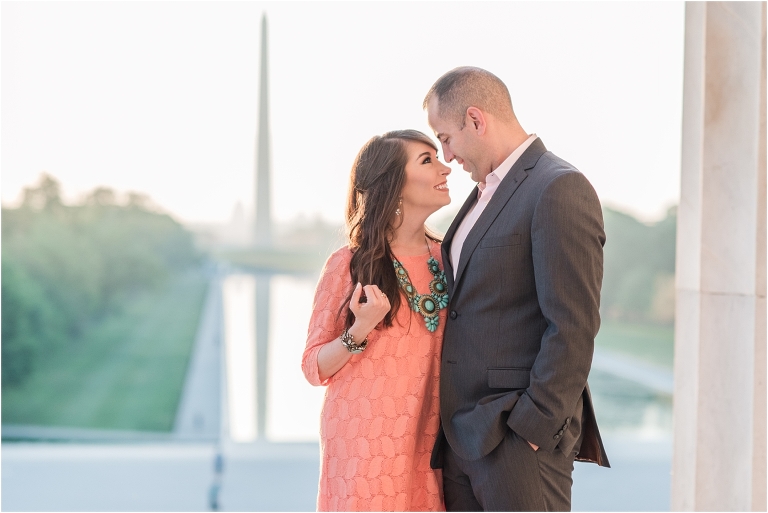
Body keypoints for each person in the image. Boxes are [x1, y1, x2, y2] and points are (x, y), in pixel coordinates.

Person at [423, 66, 610, 511]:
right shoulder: (481, 193)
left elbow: (573, 325)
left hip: (516, 442)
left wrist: (531, 429)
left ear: (476, 119)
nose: (446, 156)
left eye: (446, 138)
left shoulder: (558, 187)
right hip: (462, 442)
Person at [302, 129, 452, 511]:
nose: (445, 167)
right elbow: (313, 367)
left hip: (428, 440)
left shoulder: (448, 258)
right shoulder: (348, 264)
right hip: (364, 446)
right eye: (427, 160)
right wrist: (359, 329)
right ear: (394, 183)